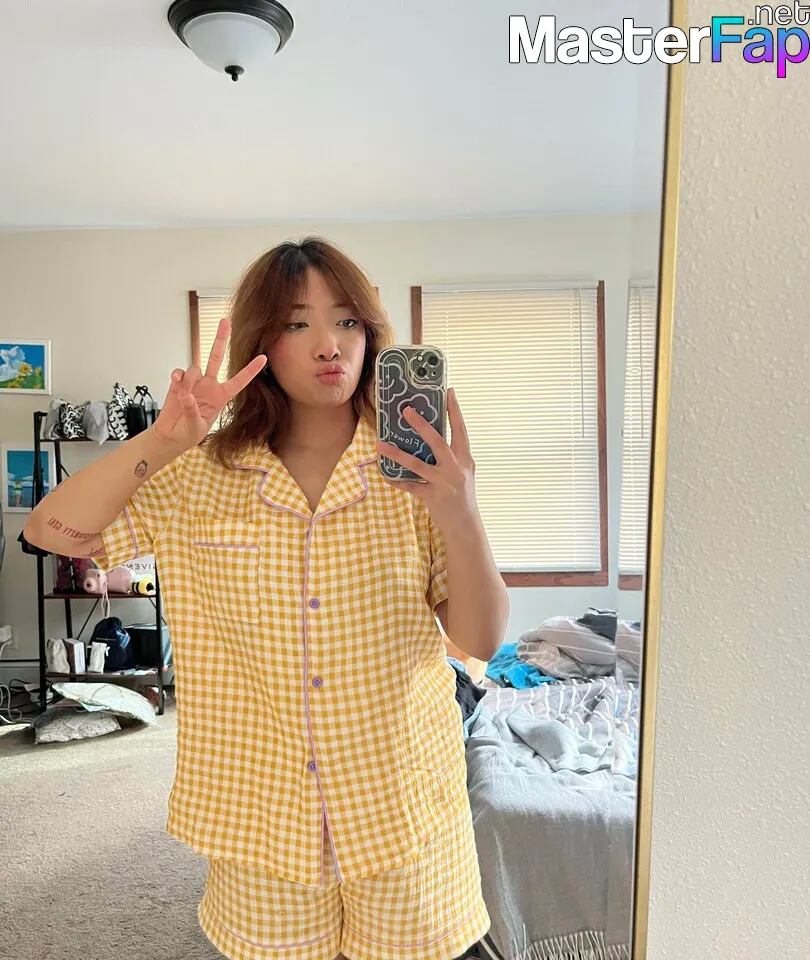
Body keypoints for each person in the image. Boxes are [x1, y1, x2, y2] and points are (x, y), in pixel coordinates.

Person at [24, 237, 509, 960]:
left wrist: (460, 510)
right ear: (261, 342)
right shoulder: (198, 475)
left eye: (347, 320)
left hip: (402, 804)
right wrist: (162, 441)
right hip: (259, 812)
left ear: (371, 333)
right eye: (297, 323)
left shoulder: (415, 475)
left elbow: (480, 639)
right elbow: (51, 531)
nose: (328, 344)